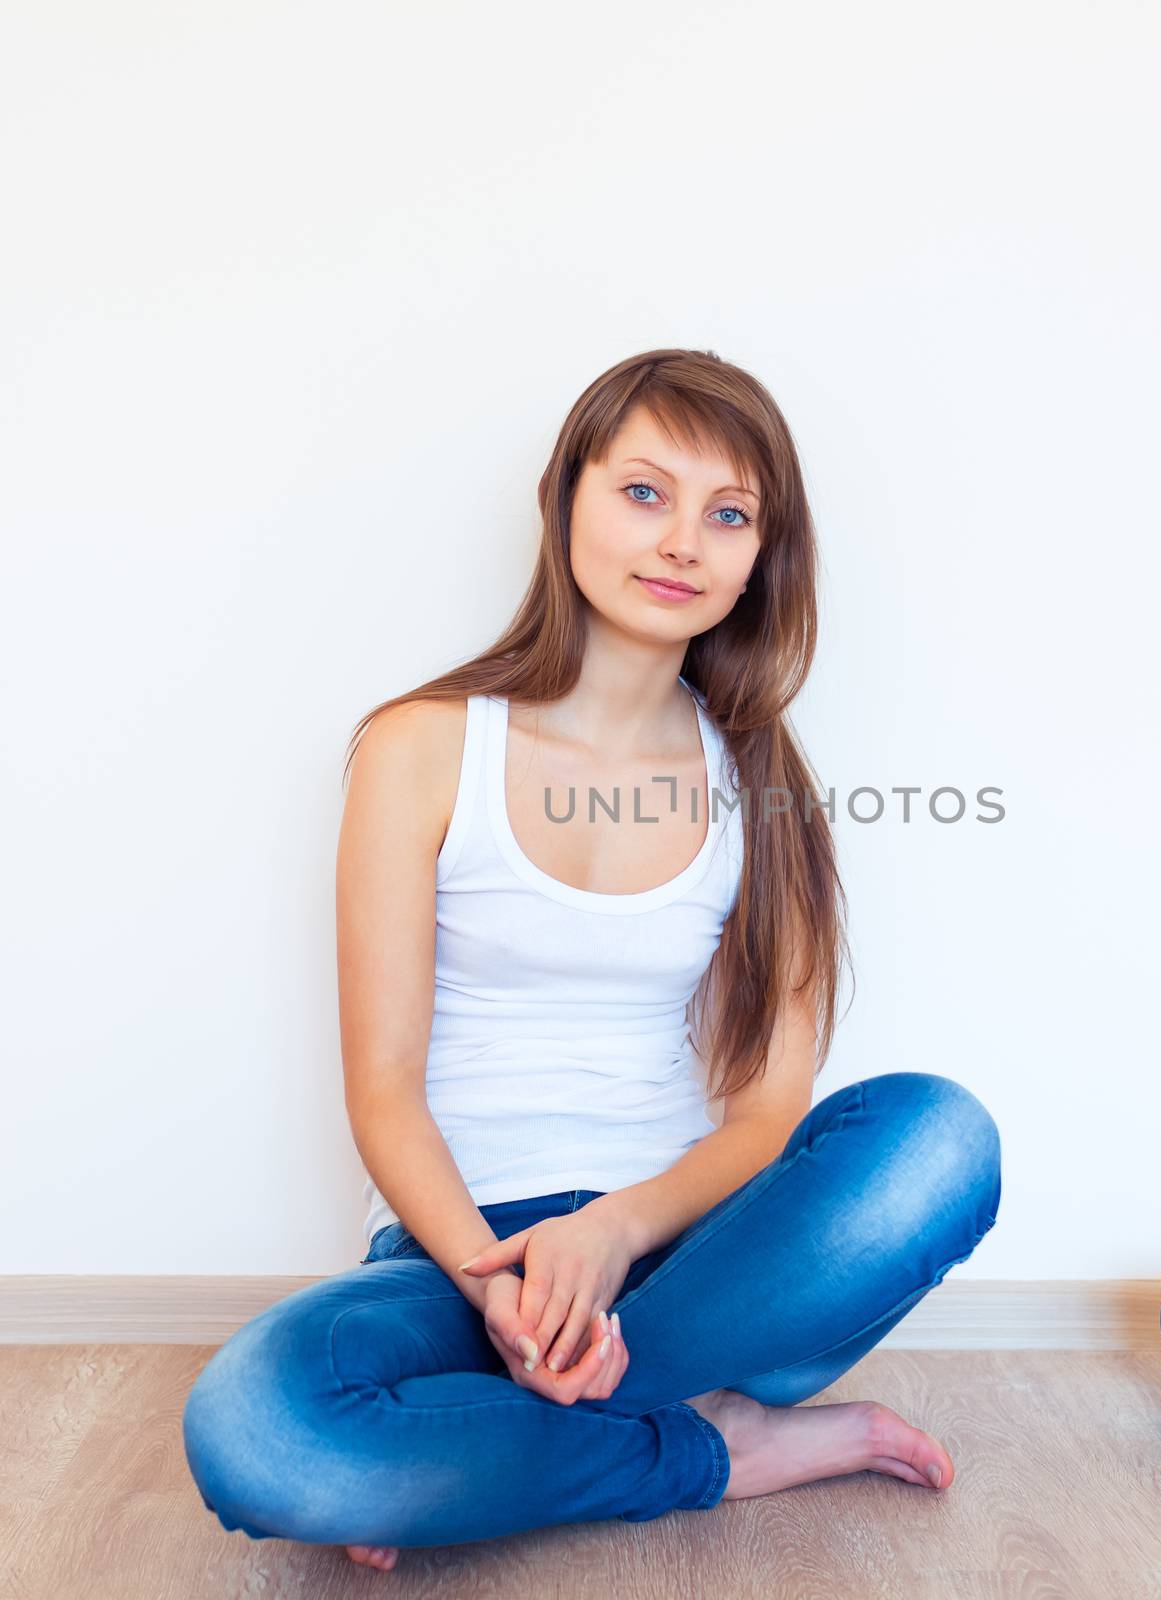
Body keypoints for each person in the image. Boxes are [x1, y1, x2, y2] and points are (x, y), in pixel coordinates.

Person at [181, 348, 1001, 1569]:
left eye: (729, 515)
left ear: (760, 559)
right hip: (461, 1261)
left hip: (698, 1258)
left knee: (943, 1137)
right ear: (565, 497)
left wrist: (616, 1233)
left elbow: (769, 1112)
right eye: (644, 493)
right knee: (257, 1430)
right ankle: (719, 1444)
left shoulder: (766, 788)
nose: (683, 541)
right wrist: (496, 1287)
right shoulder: (419, 747)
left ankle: (456, 1463)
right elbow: (384, 1090)